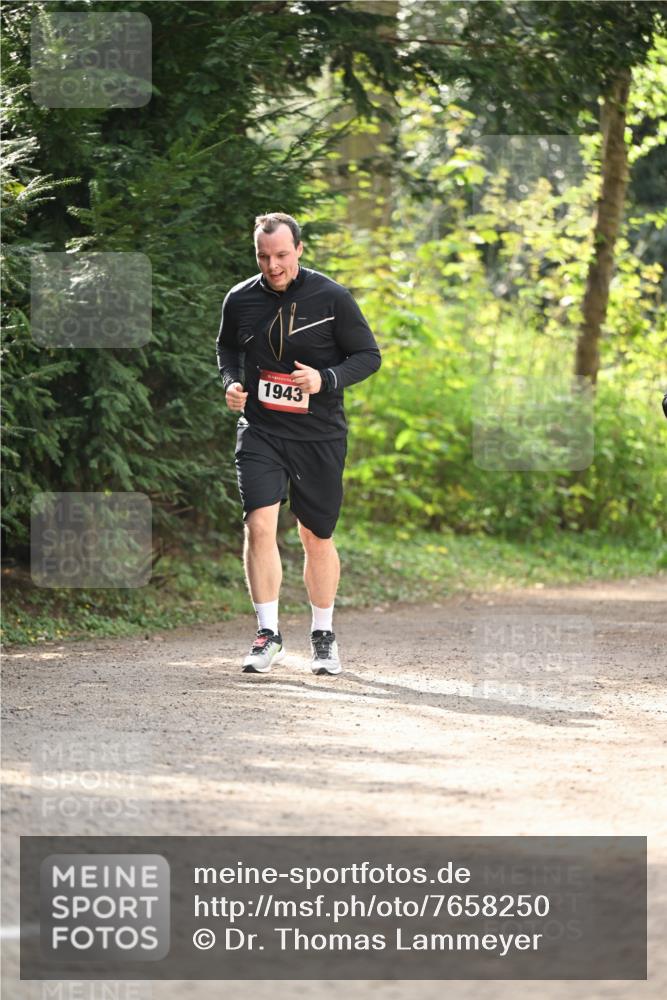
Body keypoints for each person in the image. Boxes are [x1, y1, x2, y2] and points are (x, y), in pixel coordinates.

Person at [216, 212, 381, 675]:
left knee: (316, 536)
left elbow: (368, 356)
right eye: (264, 256)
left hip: (319, 435)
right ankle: (267, 633)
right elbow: (227, 348)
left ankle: (323, 634)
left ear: (300, 251)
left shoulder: (332, 298)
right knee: (260, 523)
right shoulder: (240, 299)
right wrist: (230, 381)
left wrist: (325, 378)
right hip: (262, 429)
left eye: (282, 255)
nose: (273, 265)